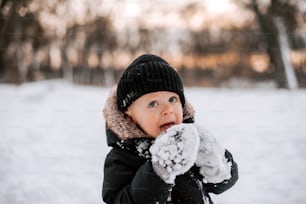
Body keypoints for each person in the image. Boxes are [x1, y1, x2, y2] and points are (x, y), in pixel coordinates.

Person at [102, 54, 238, 204]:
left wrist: (215, 164)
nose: (167, 110)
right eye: (153, 103)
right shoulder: (122, 157)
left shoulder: (191, 140)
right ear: (130, 117)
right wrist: (159, 170)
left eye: (173, 99)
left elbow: (222, 184)